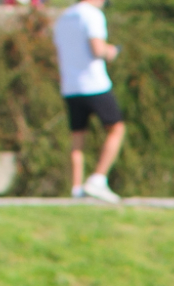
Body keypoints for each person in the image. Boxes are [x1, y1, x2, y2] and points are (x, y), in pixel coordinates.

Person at [53, 0, 125, 204]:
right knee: (116, 128)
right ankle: (98, 179)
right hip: (94, 84)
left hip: (70, 86)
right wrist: (112, 52)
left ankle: (76, 188)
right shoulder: (92, 15)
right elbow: (97, 49)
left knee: (77, 138)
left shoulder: (64, 17)